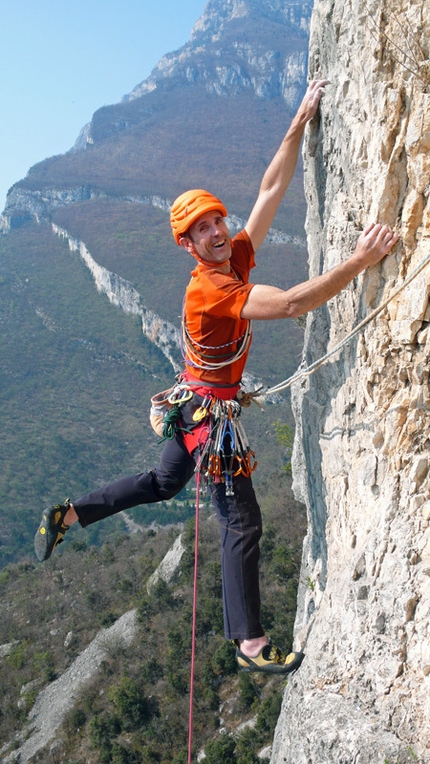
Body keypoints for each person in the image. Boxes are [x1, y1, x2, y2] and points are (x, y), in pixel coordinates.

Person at [34, 80, 398, 673]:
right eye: (201, 230)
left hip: (192, 404)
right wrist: (360, 260)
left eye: (216, 220)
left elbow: (271, 189)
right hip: (208, 418)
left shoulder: (232, 255)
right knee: (240, 518)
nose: (215, 231)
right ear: (187, 245)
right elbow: (289, 306)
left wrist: (297, 123)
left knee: (161, 482)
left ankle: (68, 514)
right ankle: (250, 645)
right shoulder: (213, 289)